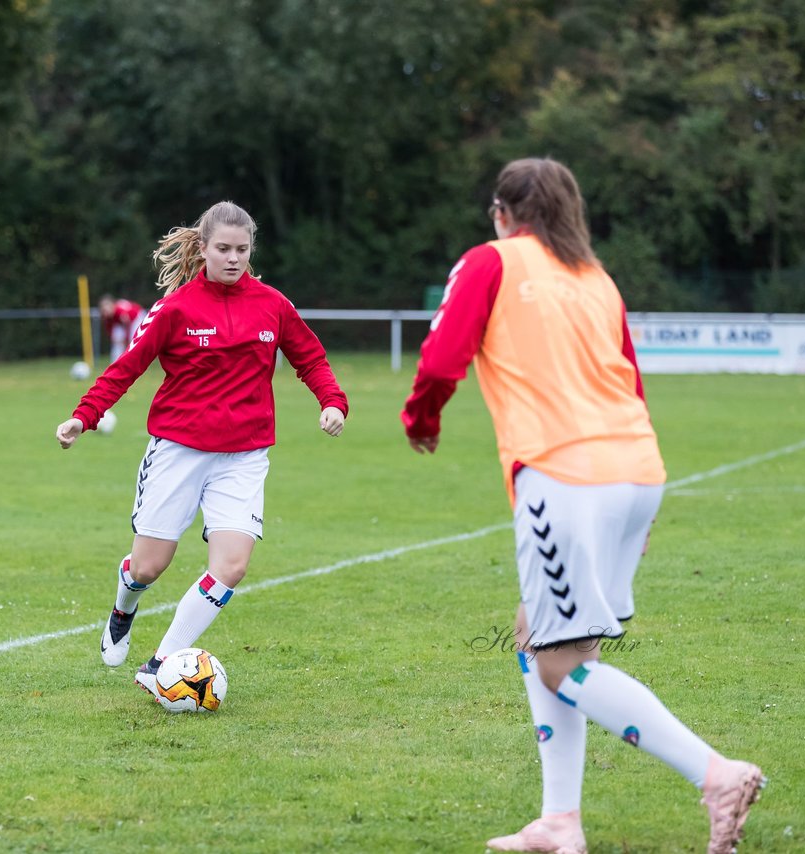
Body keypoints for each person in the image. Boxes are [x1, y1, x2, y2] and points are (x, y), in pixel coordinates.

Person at [401, 158, 763, 854]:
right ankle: (559, 822)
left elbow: (443, 358)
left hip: (564, 474)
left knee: (559, 663)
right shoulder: (597, 278)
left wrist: (422, 419)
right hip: (634, 468)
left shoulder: (490, 261)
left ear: (504, 214)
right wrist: (639, 508)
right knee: (539, 634)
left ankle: (715, 773)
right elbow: (631, 381)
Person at [55, 201, 348, 700]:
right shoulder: (175, 309)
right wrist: (84, 416)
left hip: (245, 455)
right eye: (223, 249)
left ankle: (159, 664)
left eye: (242, 249)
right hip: (178, 451)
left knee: (231, 566)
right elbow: (125, 368)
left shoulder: (273, 304)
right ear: (204, 249)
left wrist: (332, 401)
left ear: (251, 249)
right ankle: (125, 605)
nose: (234, 258)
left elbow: (310, 357)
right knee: (148, 566)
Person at [98, 293, 145, 362]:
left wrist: (126, 340)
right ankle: (116, 363)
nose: (105, 312)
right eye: (103, 310)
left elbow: (127, 324)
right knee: (117, 341)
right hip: (123, 323)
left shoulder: (119, 311)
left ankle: (134, 361)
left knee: (133, 341)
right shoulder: (108, 317)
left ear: (112, 306)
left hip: (137, 318)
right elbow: (111, 332)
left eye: (106, 309)